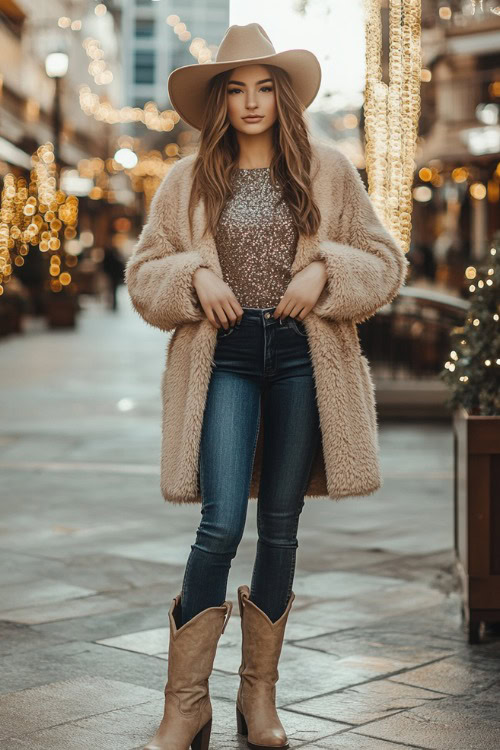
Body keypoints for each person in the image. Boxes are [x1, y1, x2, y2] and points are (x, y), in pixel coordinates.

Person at [125, 22, 409, 750]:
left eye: (263, 88)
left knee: (280, 525)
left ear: (281, 97)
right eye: (236, 89)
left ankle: (259, 699)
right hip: (222, 356)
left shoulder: (329, 170)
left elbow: (383, 261)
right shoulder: (188, 181)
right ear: (220, 101)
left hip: (298, 357)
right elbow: (144, 276)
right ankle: (184, 704)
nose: (251, 102)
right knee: (220, 523)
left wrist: (327, 270)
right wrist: (195, 274)